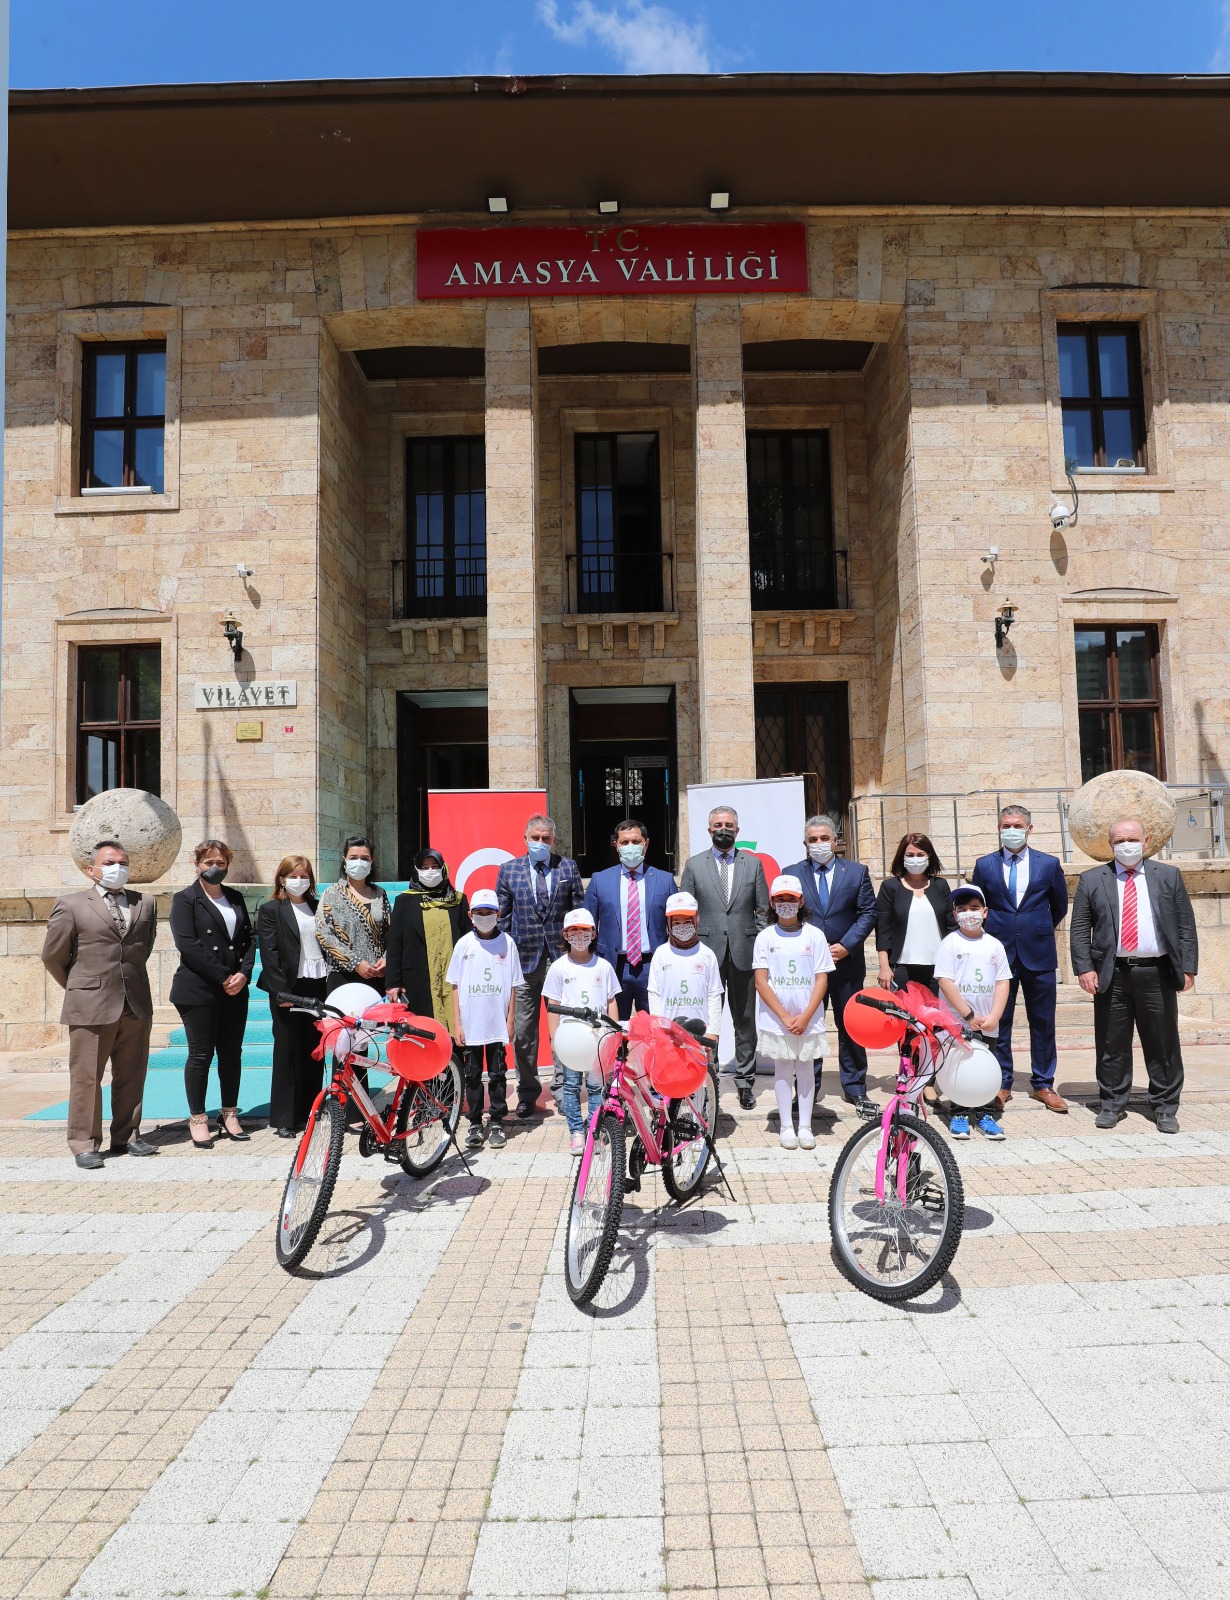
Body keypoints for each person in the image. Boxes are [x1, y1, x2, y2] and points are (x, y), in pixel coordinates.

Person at [1070, 816, 1198, 1135]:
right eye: (1119, 840)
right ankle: (1112, 1104)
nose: (1126, 845)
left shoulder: (1168, 876)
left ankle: (1165, 1107)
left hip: (1157, 972)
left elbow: (1185, 925)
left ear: (1146, 839)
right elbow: (1079, 929)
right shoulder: (1092, 879)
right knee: (1112, 1043)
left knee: (1162, 1042)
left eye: (1132, 838)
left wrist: (1188, 967)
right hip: (1112, 973)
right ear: (1110, 844)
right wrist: (1085, 968)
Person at [41, 839, 159, 1169]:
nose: (117, 868)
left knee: (132, 1072)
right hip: (89, 1004)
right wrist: (79, 986)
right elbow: (52, 956)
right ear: (91, 869)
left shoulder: (145, 902)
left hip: (134, 1002)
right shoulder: (71, 904)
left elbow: (142, 950)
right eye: (109, 863)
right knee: (87, 1077)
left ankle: (127, 1136)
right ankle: (84, 1142)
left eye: (122, 862)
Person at [971, 803, 1070, 1114]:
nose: (1010, 830)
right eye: (1004, 825)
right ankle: (1002, 1082)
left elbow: (1059, 906)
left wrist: (1035, 929)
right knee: (999, 1021)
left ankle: (1043, 1083)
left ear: (1030, 828)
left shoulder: (1049, 864)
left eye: (1016, 825)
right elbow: (978, 904)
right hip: (998, 955)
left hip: (1038, 954)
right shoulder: (985, 865)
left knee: (1043, 1020)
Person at [785, 814, 879, 1120]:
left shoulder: (857, 872)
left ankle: (855, 1087)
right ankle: (806, 1089)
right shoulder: (791, 874)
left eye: (824, 838)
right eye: (813, 840)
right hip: (807, 967)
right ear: (804, 844)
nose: (819, 844)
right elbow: (785, 915)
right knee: (809, 1025)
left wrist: (846, 945)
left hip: (846, 962)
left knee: (850, 1025)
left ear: (836, 841)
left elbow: (868, 912)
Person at [680, 804, 770, 1110]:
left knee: (745, 1021)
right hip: (706, 957)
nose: (723, 829)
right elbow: (685, 913)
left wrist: (759, 948)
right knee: (707, 1023)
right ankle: (710, 1082)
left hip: (744, 954)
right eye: (718, 824)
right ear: (709, 830)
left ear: (737, 830)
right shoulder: (694, 865)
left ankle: (745, 1083)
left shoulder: (752, 864)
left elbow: (762, 911)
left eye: (729, 824)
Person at [496, 815, 585, 1119]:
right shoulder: (509, 871)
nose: (540, 843)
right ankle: (527, 1093)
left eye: (546, 838)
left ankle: (564, 1091)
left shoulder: (568, 868)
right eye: (535, 838)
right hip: (523, 962)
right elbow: (503, 919)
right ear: (525, 839)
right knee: (524, 1033)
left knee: (563, 1030)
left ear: (554, 841)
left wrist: (579, 954)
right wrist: (503, 961)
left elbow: (578, 914)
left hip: (561, 960)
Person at [168, 839, 255, 1148]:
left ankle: (230, 1113)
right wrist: (225, 977)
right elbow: (188, 945)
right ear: (197, 865)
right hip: (199, 989)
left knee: (232, 1054)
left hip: (235, 988)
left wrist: (244, 973)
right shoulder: (185, 899)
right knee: (201, 1055)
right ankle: (199, 1118)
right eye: (208, 863)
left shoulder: (234, 897)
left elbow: (248, 940)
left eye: (220, 863)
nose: (215, 868)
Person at [752, 875, 834, 1152]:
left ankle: (806, 1125)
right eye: (780, 899)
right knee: (783, 1068)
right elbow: (761, 981)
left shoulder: (815, 935)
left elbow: (822, 979)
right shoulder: (765, 938)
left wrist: (806, 1015)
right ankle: (786, 1125)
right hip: (778, 1021)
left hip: (808, 1019)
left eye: (791, 899)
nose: (786, 904)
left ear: (801, 901)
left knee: (806, 1069)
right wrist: (785, 1018)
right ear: (772, 903)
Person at [446, 887, 524, 1152]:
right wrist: (457, 1023)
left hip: (496, 1023)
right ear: (470, 915)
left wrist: (510, 1020)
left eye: (489, 912)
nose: (484, 917)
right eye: (479, 913)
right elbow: (454, 985)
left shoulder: (508, 943)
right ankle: (475, 1122)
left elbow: (513, 985)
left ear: (498, 914)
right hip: (470, 1023)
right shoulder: (464, 944)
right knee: (472, 1074)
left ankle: (498, 1120)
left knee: (499, 1072)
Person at [256, 854, 327, 1139]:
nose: (300, 880)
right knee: (287, 1050)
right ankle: (286, 1117)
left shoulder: (318, 906)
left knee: (314, 1049)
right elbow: (269, 954)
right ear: (282, 879)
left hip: (318, 983)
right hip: (288, 987)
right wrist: (279, 991)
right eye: (293, 875)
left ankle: (311, 1110)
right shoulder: (271, 909)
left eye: (304, 875)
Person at [934, 883, 1012, 1140]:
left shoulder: (994, 945)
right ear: (955, 914)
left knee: (985, 1067)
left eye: (975, 908)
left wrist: (995, 1016)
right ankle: (958, 1111)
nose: (969, 913)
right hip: (957, 1022)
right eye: (963, 909)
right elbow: (946, 981)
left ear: (985, 912)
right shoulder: (950, 943)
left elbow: (1002, 982)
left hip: (987, 1022)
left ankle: (985, 1112)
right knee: (958, 1067)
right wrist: (968, 1015)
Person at [541, 907, 620, 1154]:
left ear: (593, 934)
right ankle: (576, 1131)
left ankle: (594, 1131)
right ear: (565, 934)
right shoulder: (558, 967)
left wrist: (613, 1034)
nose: (579, 935)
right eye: (573, 930)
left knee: (597, 1087)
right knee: (572, 1086)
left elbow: (611, 1002)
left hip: (597, 1039)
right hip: (571, 1040)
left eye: (584, 930)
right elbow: (552, 1006)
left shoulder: (604, 966)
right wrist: (555, 1038)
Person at [583, 817, 677, 1018]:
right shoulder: (600, 880)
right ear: (616, 846)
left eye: (636, 841)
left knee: (654, 1029)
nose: (630, 846)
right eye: (625, 842)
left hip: (652, 965)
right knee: (614, 1030)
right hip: (613, 966)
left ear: (646, 844)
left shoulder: (665, 880)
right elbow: (587, 926)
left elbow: (676, 925)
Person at [385, 848, 472, 1028]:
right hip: (417, 980)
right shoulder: (404, 901)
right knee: (422, 1033)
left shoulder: (458, 900)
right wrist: (393, 983)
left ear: (443, 869)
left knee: (456, 1029)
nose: (430, 871)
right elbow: (395, 944)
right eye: (425, 867)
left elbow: (468, 939)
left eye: (435, 866)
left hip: (453, 980)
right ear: (417, 871)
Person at [875, 832, 957, 991]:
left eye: (920, 854)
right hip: (902, 968)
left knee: (936, 1015)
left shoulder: (941, 885)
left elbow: (951, 926)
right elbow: (883, 932)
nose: (915, 859)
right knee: (905, 1015)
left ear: (929, 856)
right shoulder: (890, 887)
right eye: (910, 855)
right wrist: (884, 966)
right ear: (902, 857)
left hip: (939, 969)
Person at [315, 836, 391, 996]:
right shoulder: (332, 894)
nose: (359, 862)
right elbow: (324, 934)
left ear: (372, 861)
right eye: (353, 858)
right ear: (345, 861)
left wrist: (386, 959)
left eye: (364, 858)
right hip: (342, 975)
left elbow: (390, 933)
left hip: (376, 975)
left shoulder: (379, 894)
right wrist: (355, 963)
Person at [647, 891, 724, 1035]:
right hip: (668, 1034)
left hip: (700, 1034)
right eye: (676, 923)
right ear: (668, 923)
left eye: (687, 922)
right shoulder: (660, 954)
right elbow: (654, 994)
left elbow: (714, 996)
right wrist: (659, 1028)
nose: (682, 926)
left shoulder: (707, 955)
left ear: (697, 919)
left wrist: (713, 1032)